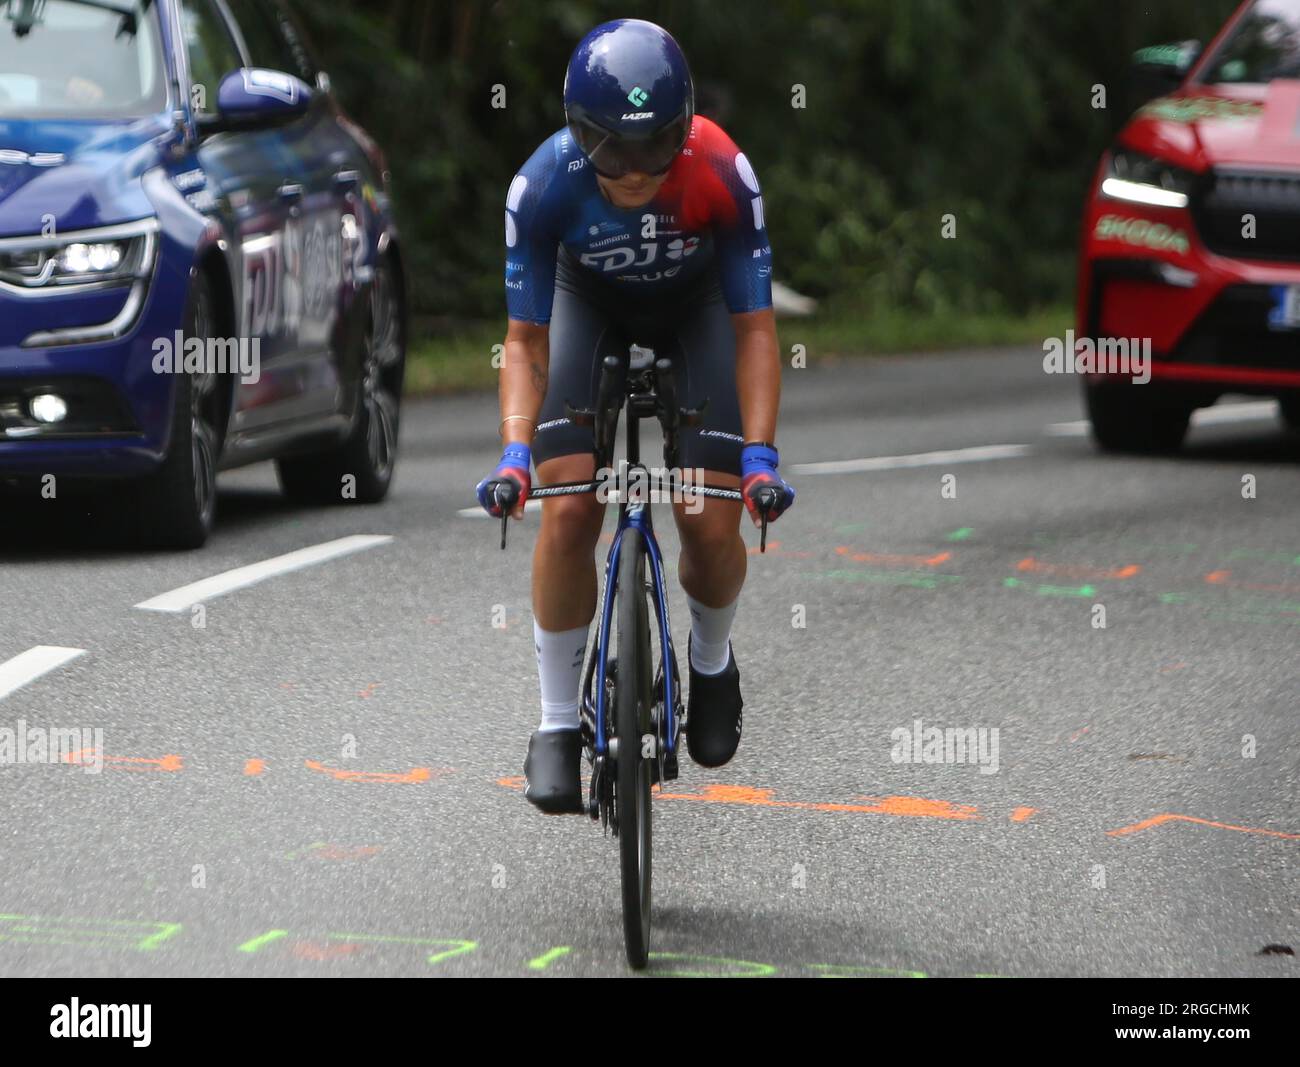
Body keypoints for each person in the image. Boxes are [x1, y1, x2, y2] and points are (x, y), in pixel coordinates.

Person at [477, 18, 794, 813]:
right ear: (576, 134)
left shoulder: (725, 170)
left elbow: (756, 331)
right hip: (588, 307)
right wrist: (515, 455)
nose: (635, 172)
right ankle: (555, 722)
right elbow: (524, 342)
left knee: (709, 520)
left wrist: (759, 456)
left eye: (657, 150)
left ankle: (712, 659)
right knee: (570, 505)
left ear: (685, 131)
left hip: (697, 309)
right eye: (612, 151)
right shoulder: (540, 185)